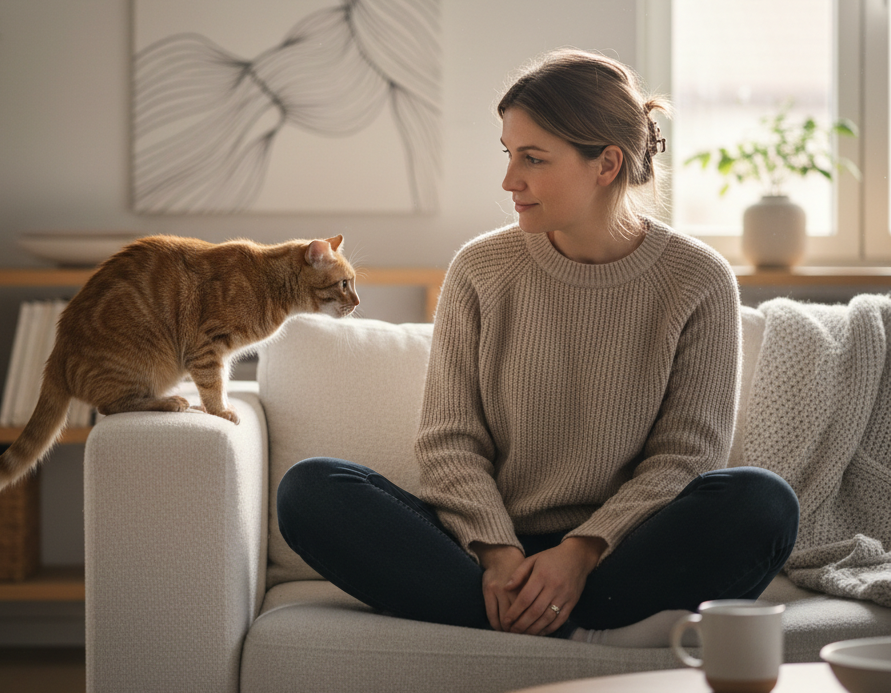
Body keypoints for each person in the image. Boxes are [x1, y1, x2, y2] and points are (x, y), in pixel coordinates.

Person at [277, 48, 800, 646]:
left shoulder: (699, 280)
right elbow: (450, 441)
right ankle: (585, 631)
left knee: (763, 502)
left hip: (618, 553)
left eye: (532, 158)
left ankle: (529, 624)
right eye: (508, 154)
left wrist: (579, 553)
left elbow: (685, 457)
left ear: (606, 164)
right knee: (311, 489)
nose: (509, 180)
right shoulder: (479, 269)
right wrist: (499, 554)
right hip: (481, 551)